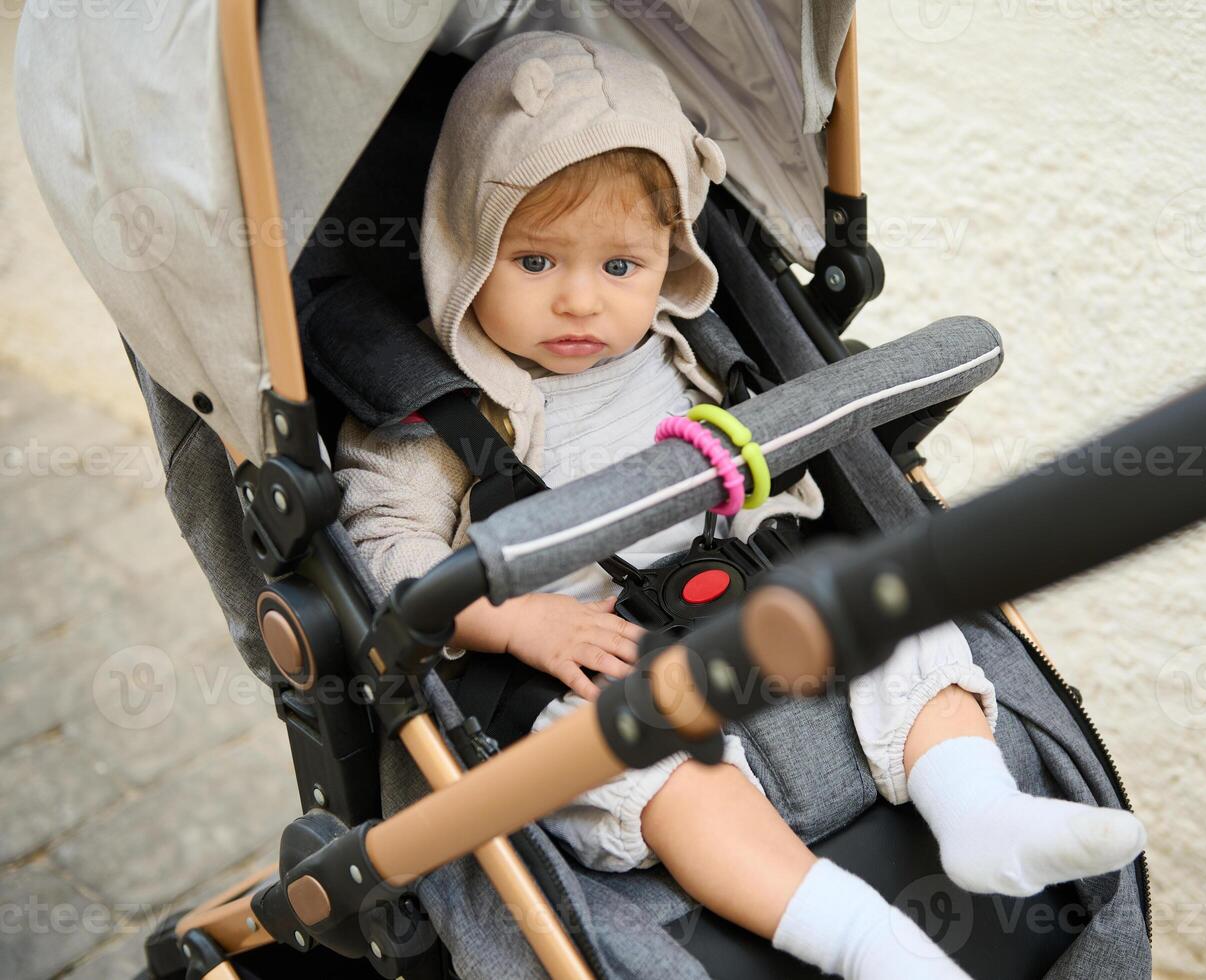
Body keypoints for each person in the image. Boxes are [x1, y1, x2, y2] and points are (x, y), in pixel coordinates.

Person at [335, 30, 1146, 979]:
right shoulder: (432, 413)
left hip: (767, 610)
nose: (580, 304)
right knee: (651, 778)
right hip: (606, 676)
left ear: (666, 258)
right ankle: (866, 943)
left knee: (905, 622)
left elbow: (785, 459)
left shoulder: (695, 351)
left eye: (620, 268)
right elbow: (385, 561)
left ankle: (978, 811)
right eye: (536, 262)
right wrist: (518, 621)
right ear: (466, 247)